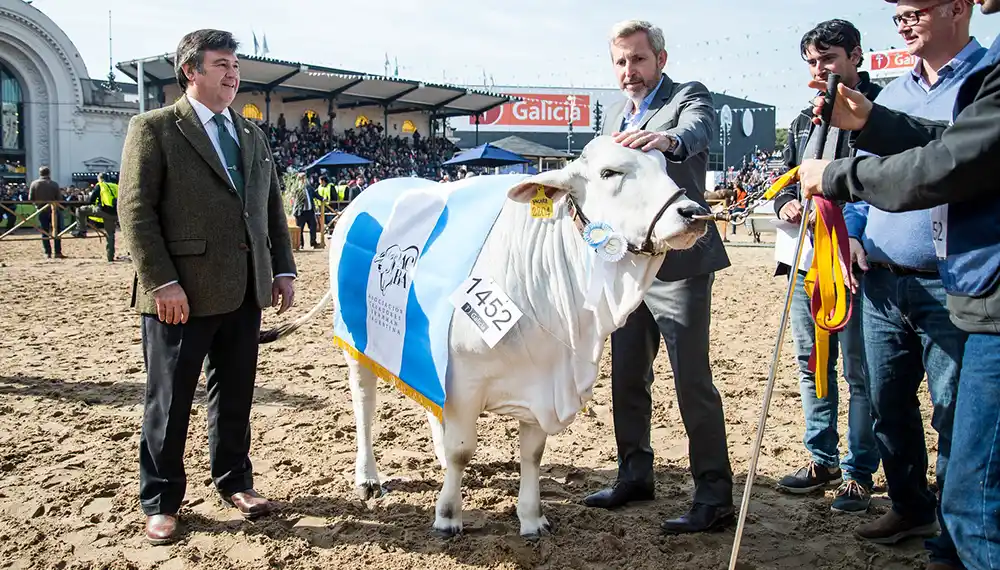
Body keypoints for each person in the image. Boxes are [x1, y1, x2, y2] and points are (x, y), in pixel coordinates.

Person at [797, 0, 999, 565]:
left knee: (960, 421)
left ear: (959, 10)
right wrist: (854, 228)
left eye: (917, 10)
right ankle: (911, 506)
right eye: (898, 16)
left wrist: (839, 178)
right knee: (889, 403)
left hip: (954, 284)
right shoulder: (889, 94)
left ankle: (953, 537)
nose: (906, 23)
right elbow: (916, 145)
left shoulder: (983, 78)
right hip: (882, 278)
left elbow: (946, 161)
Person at [117, 29, 297, 545]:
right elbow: (135, 212)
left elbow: (269, 211)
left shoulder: (251, 134)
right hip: (181, 293)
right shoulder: (154, 128)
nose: (232, 73)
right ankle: (161, 500)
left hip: (244, 291)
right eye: (220, 64)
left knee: (236, 393)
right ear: (190, 71)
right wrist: (162, 283)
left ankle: (236, 481)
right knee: (169, 400)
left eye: (235, 65)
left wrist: (282, 268)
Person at [582, 19, 735, 535]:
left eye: (639, 59)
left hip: (681, 265)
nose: (630, 71)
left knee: (693, 382)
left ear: (661, 60)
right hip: (628, 266)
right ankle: (634, 474)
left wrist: (666, 139)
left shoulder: (688, 96)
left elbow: (696, 134)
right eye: (621, 62)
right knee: (627, 378)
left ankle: (713, 497)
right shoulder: (612, 115)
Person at [771, 19, 881, 514]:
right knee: (811, 363)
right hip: (804, 261)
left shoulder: (882, 113)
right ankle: (822, 458)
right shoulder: (803, 120)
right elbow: (786, 175)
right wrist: (785, 204)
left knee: (860, 371)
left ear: (856, 56)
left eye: (829, 59)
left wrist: (852, 232)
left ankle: (858, 472)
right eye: (813, 62)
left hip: (858, 264)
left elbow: (881, 185)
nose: (820, 69)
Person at [72, 173, 120, 262]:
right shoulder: (116, 186)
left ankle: (81, 230)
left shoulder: (100, 185)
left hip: (102, 210)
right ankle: (110, 256)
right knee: (110, 234)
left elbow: (91, 200)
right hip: (114, 213)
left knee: (80, 210)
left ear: (99, 179)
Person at [27, 165, 64, 259]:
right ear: (49, 173)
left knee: (44, 231)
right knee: (57, 231)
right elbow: (59, 198)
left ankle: (47, 252)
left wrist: (37, 205)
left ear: (40, 173)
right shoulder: (54, 184)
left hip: (41, 210)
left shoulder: (34, 184)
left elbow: (30, 198)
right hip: (54, 210)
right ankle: (58, 252)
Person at [291, 171, 319, 249]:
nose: (303, 180)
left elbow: (315, 195)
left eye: (304, 178)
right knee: (300, 229)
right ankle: (300, 244)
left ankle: (313, 243)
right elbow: (292, 198)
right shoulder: (296, 188)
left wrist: (322, 199)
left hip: (309, 211)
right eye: (301, 178)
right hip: (300, 212)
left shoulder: (309, 188)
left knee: (313, 226)